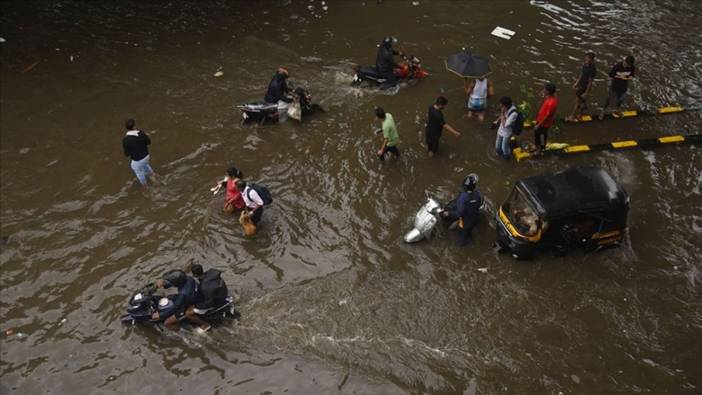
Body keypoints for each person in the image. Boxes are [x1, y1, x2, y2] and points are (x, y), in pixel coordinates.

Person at [185, 264, 230, 334]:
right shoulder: (211, 272)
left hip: (216, 302)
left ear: (195, 275)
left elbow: (209, 303)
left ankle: (205, 325)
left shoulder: (205, 288)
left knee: (188, 313)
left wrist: (196, 306)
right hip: (221, 293)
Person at [442, 174, 483, 246]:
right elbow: (479, 204)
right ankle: (470, 236)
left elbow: (459, 213)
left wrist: (448, 213)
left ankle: (463, 248)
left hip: (465, 223)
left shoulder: (463, 197)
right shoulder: (478, 194)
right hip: (474, 220)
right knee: (469, 230)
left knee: (462, 238)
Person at [122, 119, 157, 188]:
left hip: (138, 160)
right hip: (146, 156)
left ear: (126, 128)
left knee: (139, 172)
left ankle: (145, 186)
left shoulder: (126, 140)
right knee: (145, 165)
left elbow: (126, 154)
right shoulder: (141, 133)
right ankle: (153, 177)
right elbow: (148, 142)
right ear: (134, 126)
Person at [598, 55, 635, 120]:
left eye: (630, 66)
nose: (628, 67)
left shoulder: (632, 67)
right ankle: (603, 110)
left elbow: (632, 76)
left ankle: (617, 110)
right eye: (628, 65)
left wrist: (627, 78)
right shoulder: (617, 66)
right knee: (609, 98)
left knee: (620, 100)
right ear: (625, 62)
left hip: (624, 87)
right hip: (615, 86)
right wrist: (620, 77)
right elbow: (610, 74)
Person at [567, 52, 596, 122]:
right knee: (581, 101)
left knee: (578, 101)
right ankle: (580, 115)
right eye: (586, 57)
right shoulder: (585, 64)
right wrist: (576, 83)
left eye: (588, 58)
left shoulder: (592, 69)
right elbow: (581, 74)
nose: (586, 59)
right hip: (581, 85)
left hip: (585, 87)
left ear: (591, 60)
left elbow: (590, 82)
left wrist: (586, 92)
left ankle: (572, 116)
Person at [532, 82, 559, 152]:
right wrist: (543, 93)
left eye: (545, 89)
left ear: (548, 92)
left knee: (542, 136)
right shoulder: (551, 96)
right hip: (540, 119)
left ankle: (541, 148)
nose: (543, 90)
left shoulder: (551, 103)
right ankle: (536, 145)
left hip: (544, 123)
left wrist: (539, 125)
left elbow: (547, 116)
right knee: (537, 133)